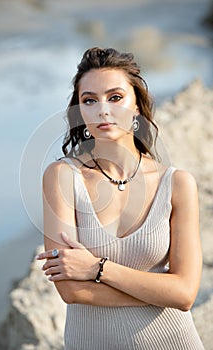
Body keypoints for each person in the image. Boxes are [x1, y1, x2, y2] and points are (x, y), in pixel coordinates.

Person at [36, 47, 204, 349]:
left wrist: (97, 269)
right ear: (79, 111)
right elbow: (71, 291)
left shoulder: (177, 184)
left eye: (115, 98)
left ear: (137, 106)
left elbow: (184, 294)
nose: (103, 110)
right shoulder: (62, 177)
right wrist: (157, 290)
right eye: (89, 100)